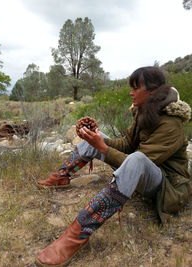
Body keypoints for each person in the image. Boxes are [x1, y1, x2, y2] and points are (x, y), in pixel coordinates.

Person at [36, 66, 191, 267]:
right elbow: (127, 144)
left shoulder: (171, 124)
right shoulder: (146, 112)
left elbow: (140, 161)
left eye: (136, 87)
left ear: (152, 91)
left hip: (168, 189)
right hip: (147, 174)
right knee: (99, 139)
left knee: (136, 159)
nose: (131, 91)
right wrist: (95, 137)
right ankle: (61, 176)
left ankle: (76, 235)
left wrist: (103, 148)